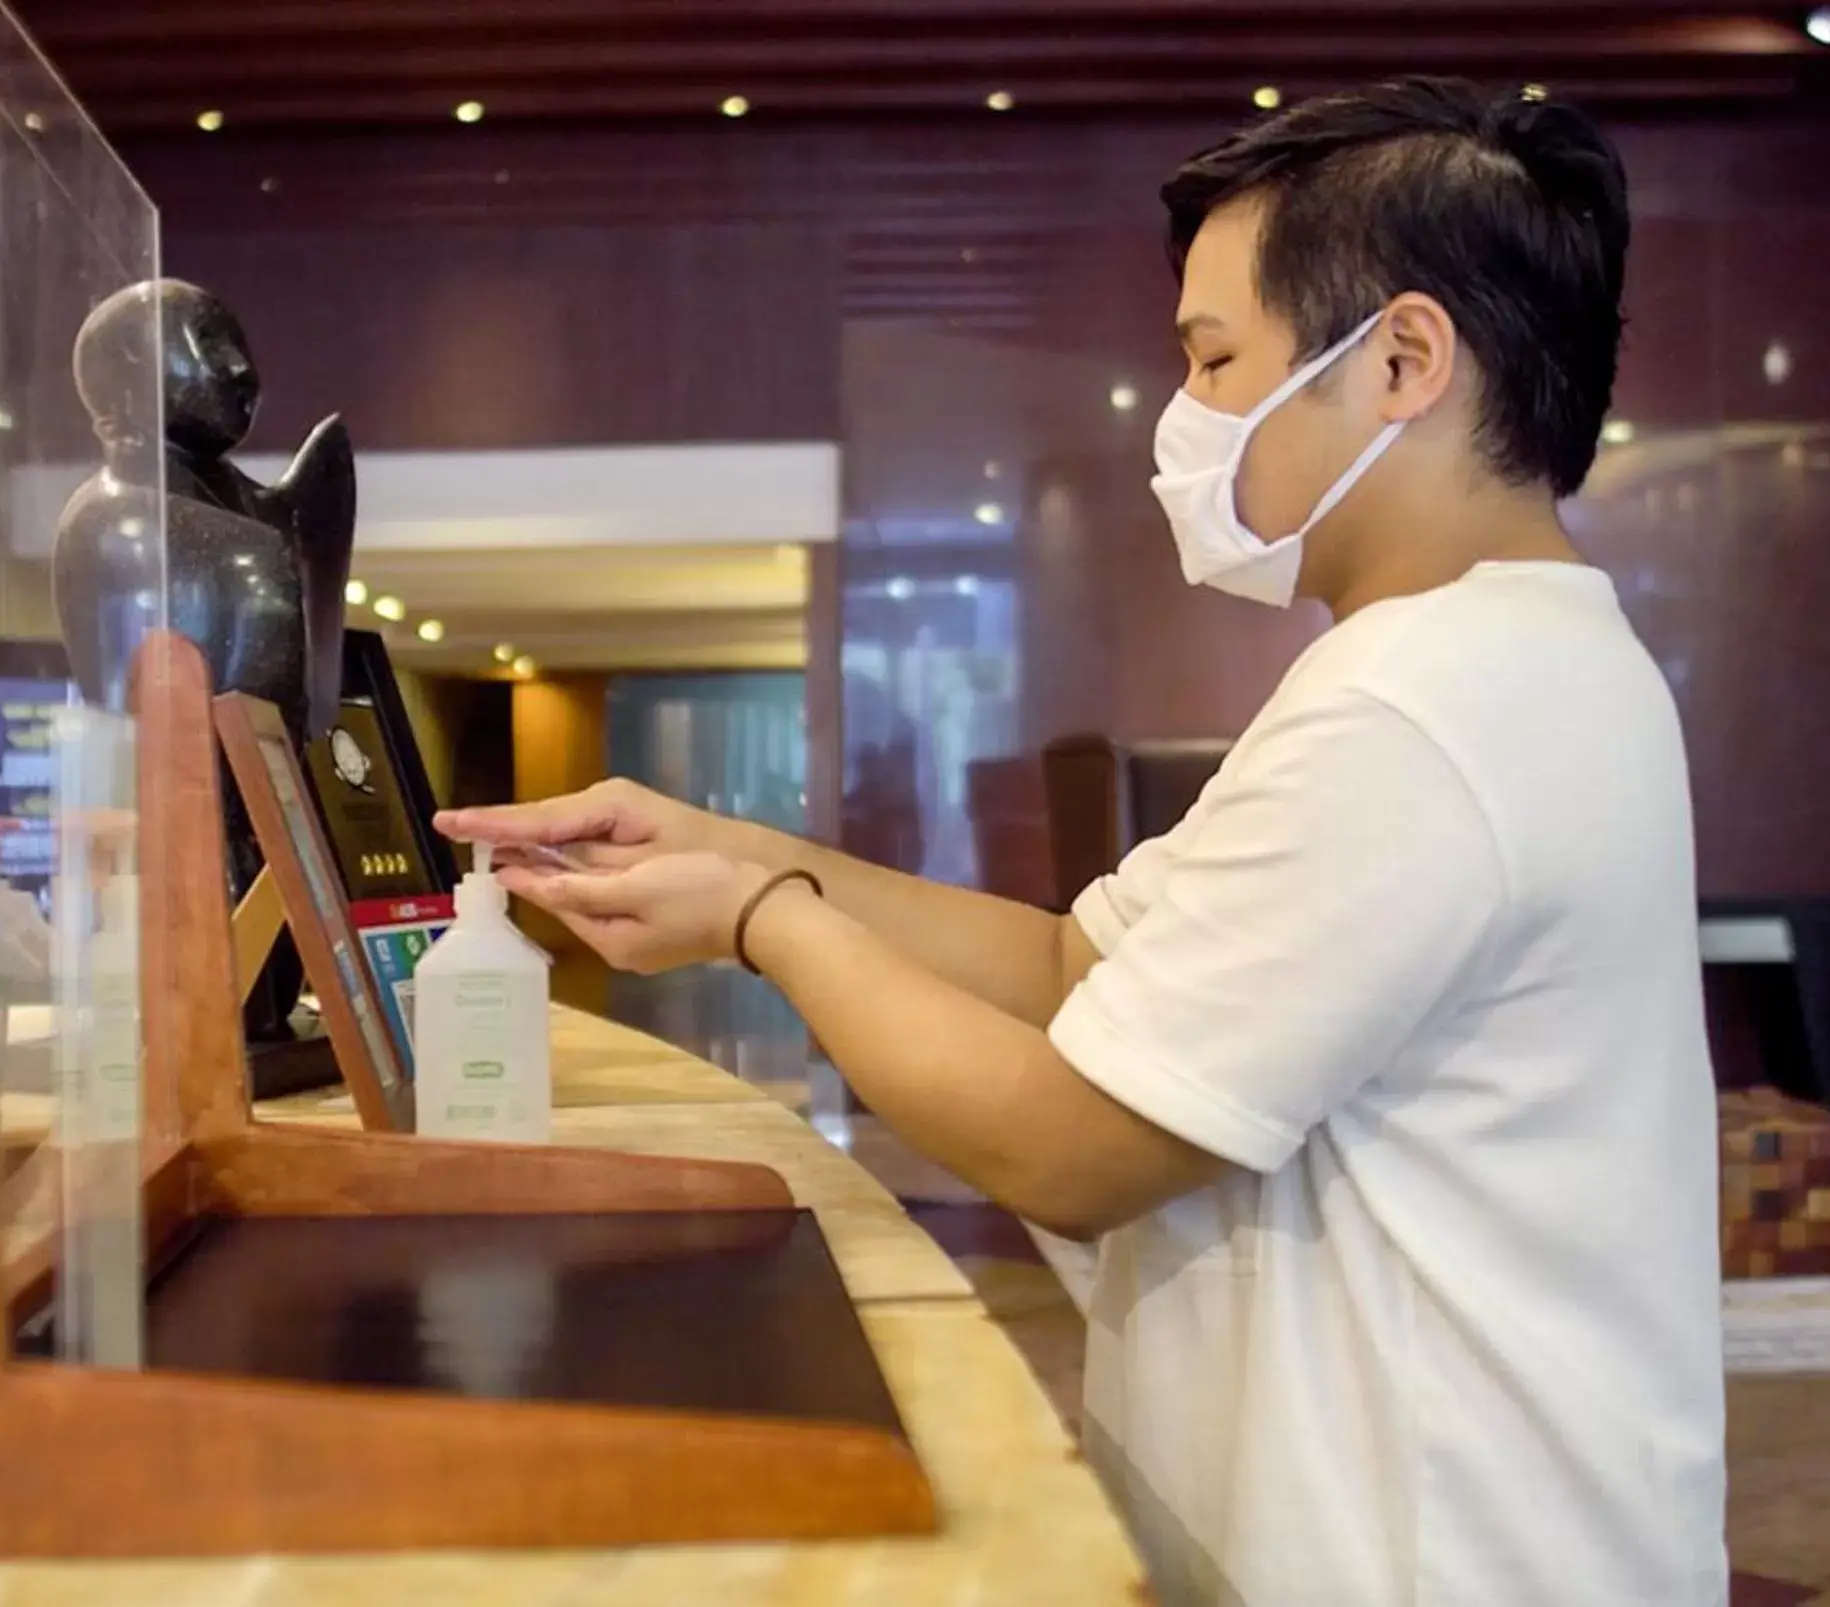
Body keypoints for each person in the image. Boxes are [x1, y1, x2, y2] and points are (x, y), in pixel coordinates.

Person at [440, 77, 1725, 1607]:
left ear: (1401, 357)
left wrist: (767, 916)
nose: (1186, 419)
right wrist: (725, 843)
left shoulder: (1421, 706)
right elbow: (1072, 962)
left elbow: (1070, 1142)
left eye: (1217, 359)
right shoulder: (1504, 654)